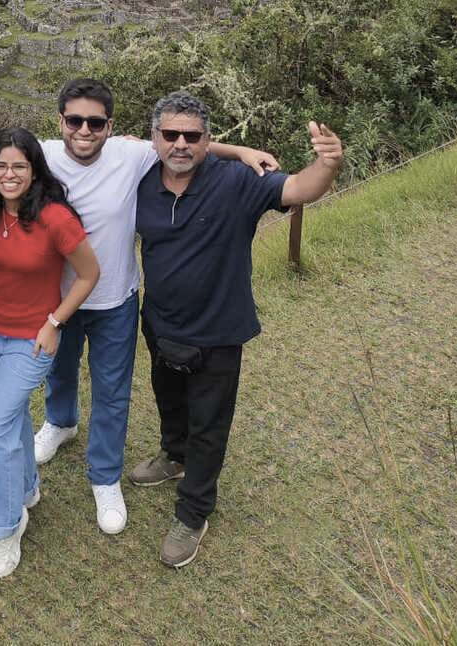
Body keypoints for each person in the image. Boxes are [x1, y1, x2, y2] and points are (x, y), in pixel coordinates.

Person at [33, 78, 279, 536]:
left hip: (115, 299)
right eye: (74, 120)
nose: (84, 130)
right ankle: (59, 422)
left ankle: (105, 478)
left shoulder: (133, 154)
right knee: (59, 370)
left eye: (95, 122)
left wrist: (240, 151)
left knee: (112, 391)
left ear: (111, 126)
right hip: (59, 299)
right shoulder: (41, 154)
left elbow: (186, 142)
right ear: (59, 121)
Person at [128, 90, 343, 569]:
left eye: (192, 136)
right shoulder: (138, 179)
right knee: (169, 398)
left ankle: (194, 509)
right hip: (160, 321)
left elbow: (299, 189)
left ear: (208, 140)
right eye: (170, 134)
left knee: (210, 423)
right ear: (154, 137)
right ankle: (173, 453)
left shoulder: (237, 182)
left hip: (219, 330)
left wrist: (327, 164)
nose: (180, 144)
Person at [0, 127, 100, 578]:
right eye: (0, 166)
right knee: (11, 419)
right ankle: (25, 488)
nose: (9, 174)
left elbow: (88, 273)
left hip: (33, 338)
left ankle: (5, 527)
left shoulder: (55, 217)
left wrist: (55, 322)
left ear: (34, 170)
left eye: (19, 166)